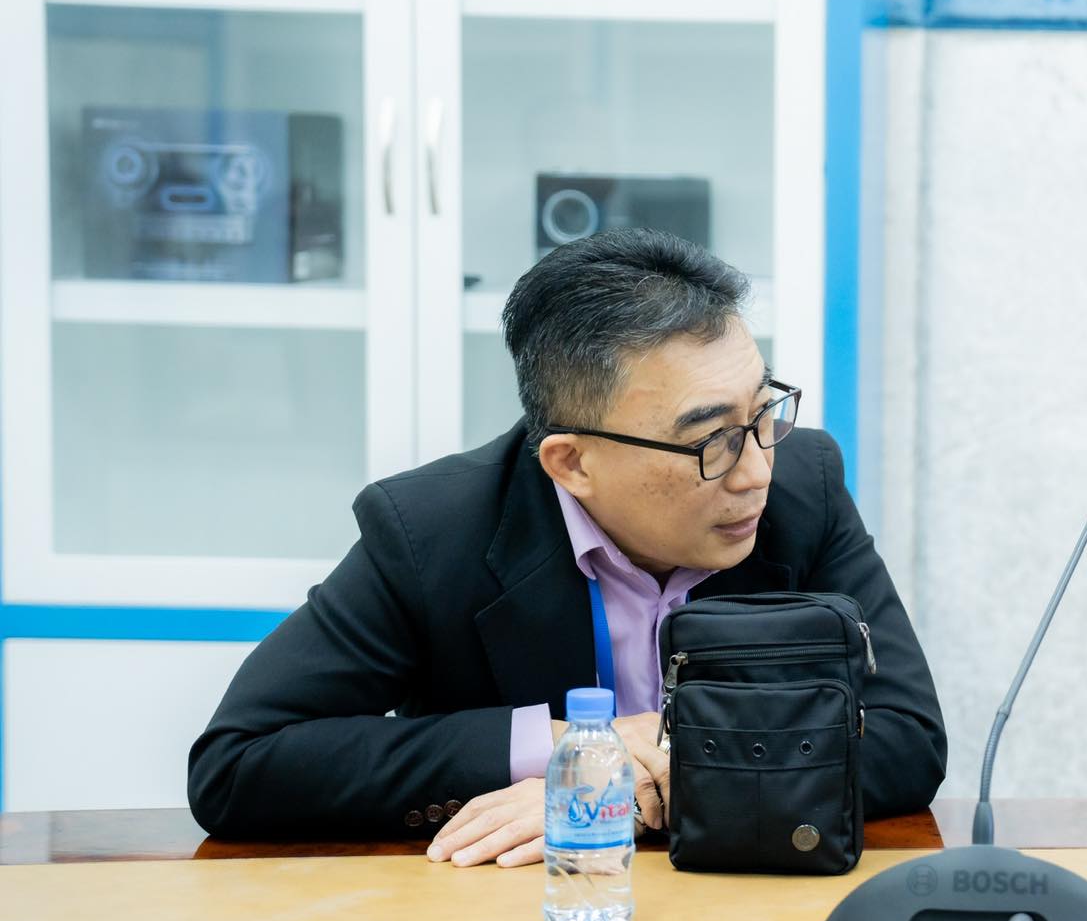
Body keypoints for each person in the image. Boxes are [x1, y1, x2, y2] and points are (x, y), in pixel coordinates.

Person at [189, 230, 946, 863]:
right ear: (572, 462)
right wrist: (565, 750)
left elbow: (907, 738)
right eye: (710, 440)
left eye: (763, 411)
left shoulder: (804, 485)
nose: (754, 471)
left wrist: (658, 773)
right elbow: (239, 764)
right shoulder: (432, 532)